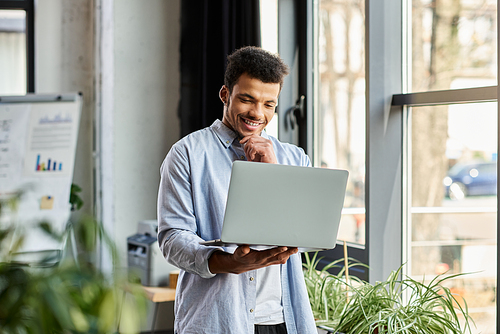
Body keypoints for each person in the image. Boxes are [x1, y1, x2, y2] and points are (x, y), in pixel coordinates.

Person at [157, 46, 317, 334]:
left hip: (283, 320)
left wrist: (272, 172)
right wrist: (228, 262)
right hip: (217, 321)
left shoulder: (294, 158)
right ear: (225, 94)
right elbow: (173, 240)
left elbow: (304, 234)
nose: (258, 113)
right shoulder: (187, 154)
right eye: (247, 99)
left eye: (269, 104)